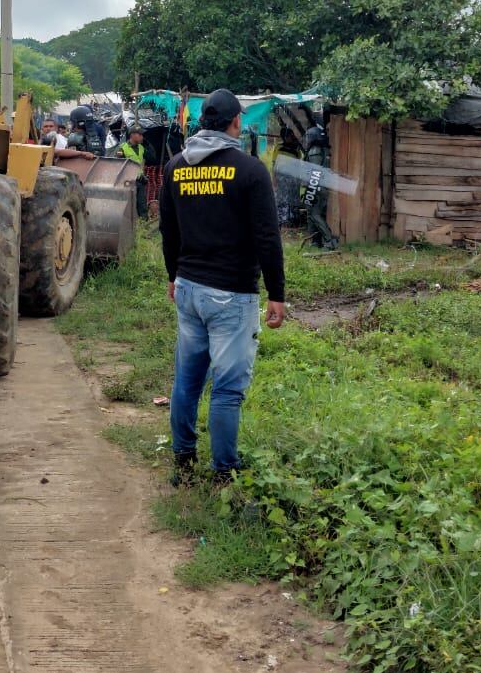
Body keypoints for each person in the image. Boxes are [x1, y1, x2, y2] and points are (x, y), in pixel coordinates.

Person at [160, 88, 285, 485]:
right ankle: (223, 474)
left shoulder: (175, 167)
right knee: (227, 389)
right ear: (236, 123)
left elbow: (168, 229)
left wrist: (172, 276)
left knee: (187, 381)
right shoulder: (249, 171)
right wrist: (277, 293)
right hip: (231, 294)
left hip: (189, 288)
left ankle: (182, 461)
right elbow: (267, 236)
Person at [301, 121, 338, 250]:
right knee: (313, 214)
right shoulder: (324, 149)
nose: (307, 140)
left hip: (316, 186)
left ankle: (329, 241)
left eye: (309, 137)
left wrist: (310, 191)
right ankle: (315, 242)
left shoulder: (315, 151)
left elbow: (315, 171)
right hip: (322, 186)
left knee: (315, 214)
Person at [117, 126, 148, 218]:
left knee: (142, 205)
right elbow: (119, 166)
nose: (142, 137)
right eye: (140, 135)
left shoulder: (141, 148)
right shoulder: (122, 148)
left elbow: (152, 158)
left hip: (140, 180)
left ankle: (143, 226)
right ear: (133, 135)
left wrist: (148, 144)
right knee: (128, 205)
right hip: (128, 181)